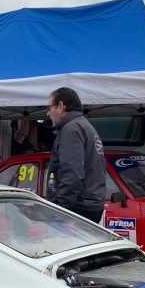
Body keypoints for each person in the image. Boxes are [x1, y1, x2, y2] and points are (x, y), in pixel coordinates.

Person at [45, 86, 106, 222]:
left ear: (60, 106)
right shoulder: (85, 126)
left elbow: (72, 173)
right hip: (89, 205)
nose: (48, 114)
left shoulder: (71, 130)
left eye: (49, 108)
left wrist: (61, 210)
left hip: (78, 208)